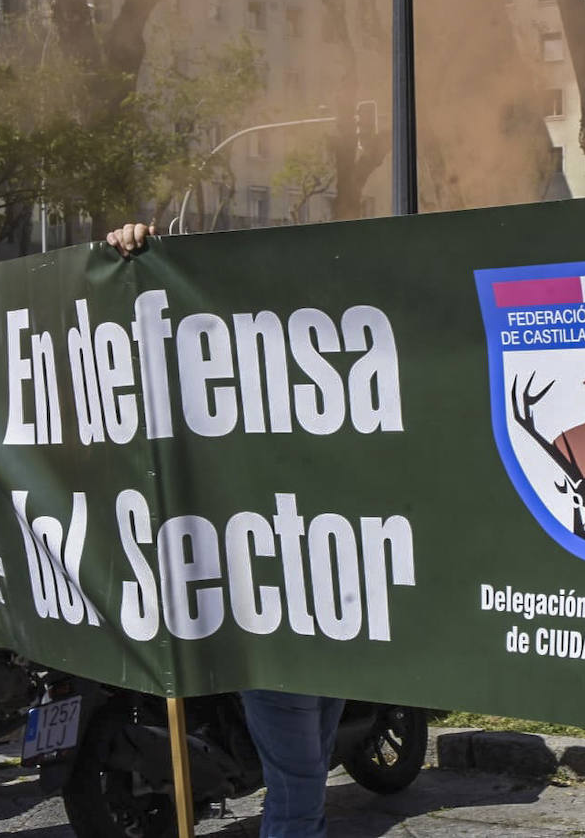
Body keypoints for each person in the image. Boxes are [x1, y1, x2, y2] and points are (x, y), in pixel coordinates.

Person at [107, 222, 343, 838]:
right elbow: (143, 338)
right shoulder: (215, 388)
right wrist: (136, 251)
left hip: (336, 621)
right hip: (267, 626)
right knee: (297, 795)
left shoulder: (327, 392)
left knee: (307, 786)